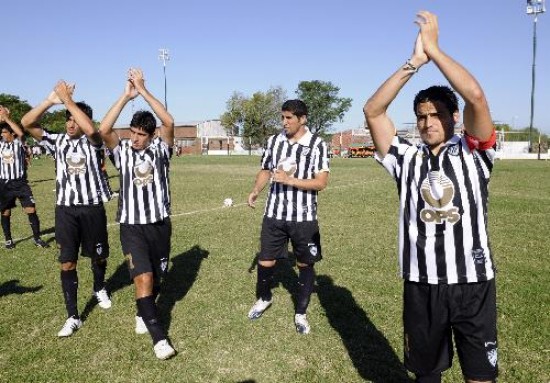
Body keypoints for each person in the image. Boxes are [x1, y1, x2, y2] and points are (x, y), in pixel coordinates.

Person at [363, 11, 498, 383]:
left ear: (455, 118)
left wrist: (435, 50)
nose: (427, 122)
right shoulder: (405, 158)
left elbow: (476, 95)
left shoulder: (475, 152)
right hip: (421, 283)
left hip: (473, 282)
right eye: (421, 116)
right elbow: (373, 110)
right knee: (426, 376)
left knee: (480, 376)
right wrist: (413, 64)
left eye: (436, 114)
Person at [21, 81, 114, 337]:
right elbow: (27, 123)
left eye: (75, 119)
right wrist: (51, 101)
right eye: (67, 119)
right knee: (67, 262)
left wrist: (69, 101)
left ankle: (99, 287)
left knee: (99, 256)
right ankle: (73, 316)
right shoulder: (57, 141)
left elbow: (92, 131)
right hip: (66, 211)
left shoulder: (93, 143)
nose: (70, 124)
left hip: (92, 207)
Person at [99, 68, 176, 360]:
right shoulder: (123, 152)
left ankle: (141, 311)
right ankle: (159, 339)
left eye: (141, 134)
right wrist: (126, 95)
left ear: (151, 135)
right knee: (142, 278)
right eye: (132, 133)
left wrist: (143, 89)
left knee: (155, 279)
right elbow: (103, 130)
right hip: (131, 226)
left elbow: (169, 121)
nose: (135, 139)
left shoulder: (161, 151)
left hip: (159, 224)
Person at [247, 99, 330, 334]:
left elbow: (321, 182)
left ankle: (301, 313)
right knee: (266, 260)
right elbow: (266, 169)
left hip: (303, 217)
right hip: (274, 214)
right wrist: (256, 190)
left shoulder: (317, 145)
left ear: (302, 119)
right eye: (282, 117)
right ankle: (264, 298)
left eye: (289, 118)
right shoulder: (274, 142)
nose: (284, 122)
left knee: (304, 263)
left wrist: (290, 180)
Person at [0, 106, 49, 249]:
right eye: (1, 132)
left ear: (11, 134)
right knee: (5, 212)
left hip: (21, 183)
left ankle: (37, 238)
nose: (2, 135)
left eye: (4, 132)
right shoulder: (0, 145)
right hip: (4, 184)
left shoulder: (18, 143)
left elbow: (20, 133)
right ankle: (8, 240)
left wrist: (7, 118)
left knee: (31, 209)